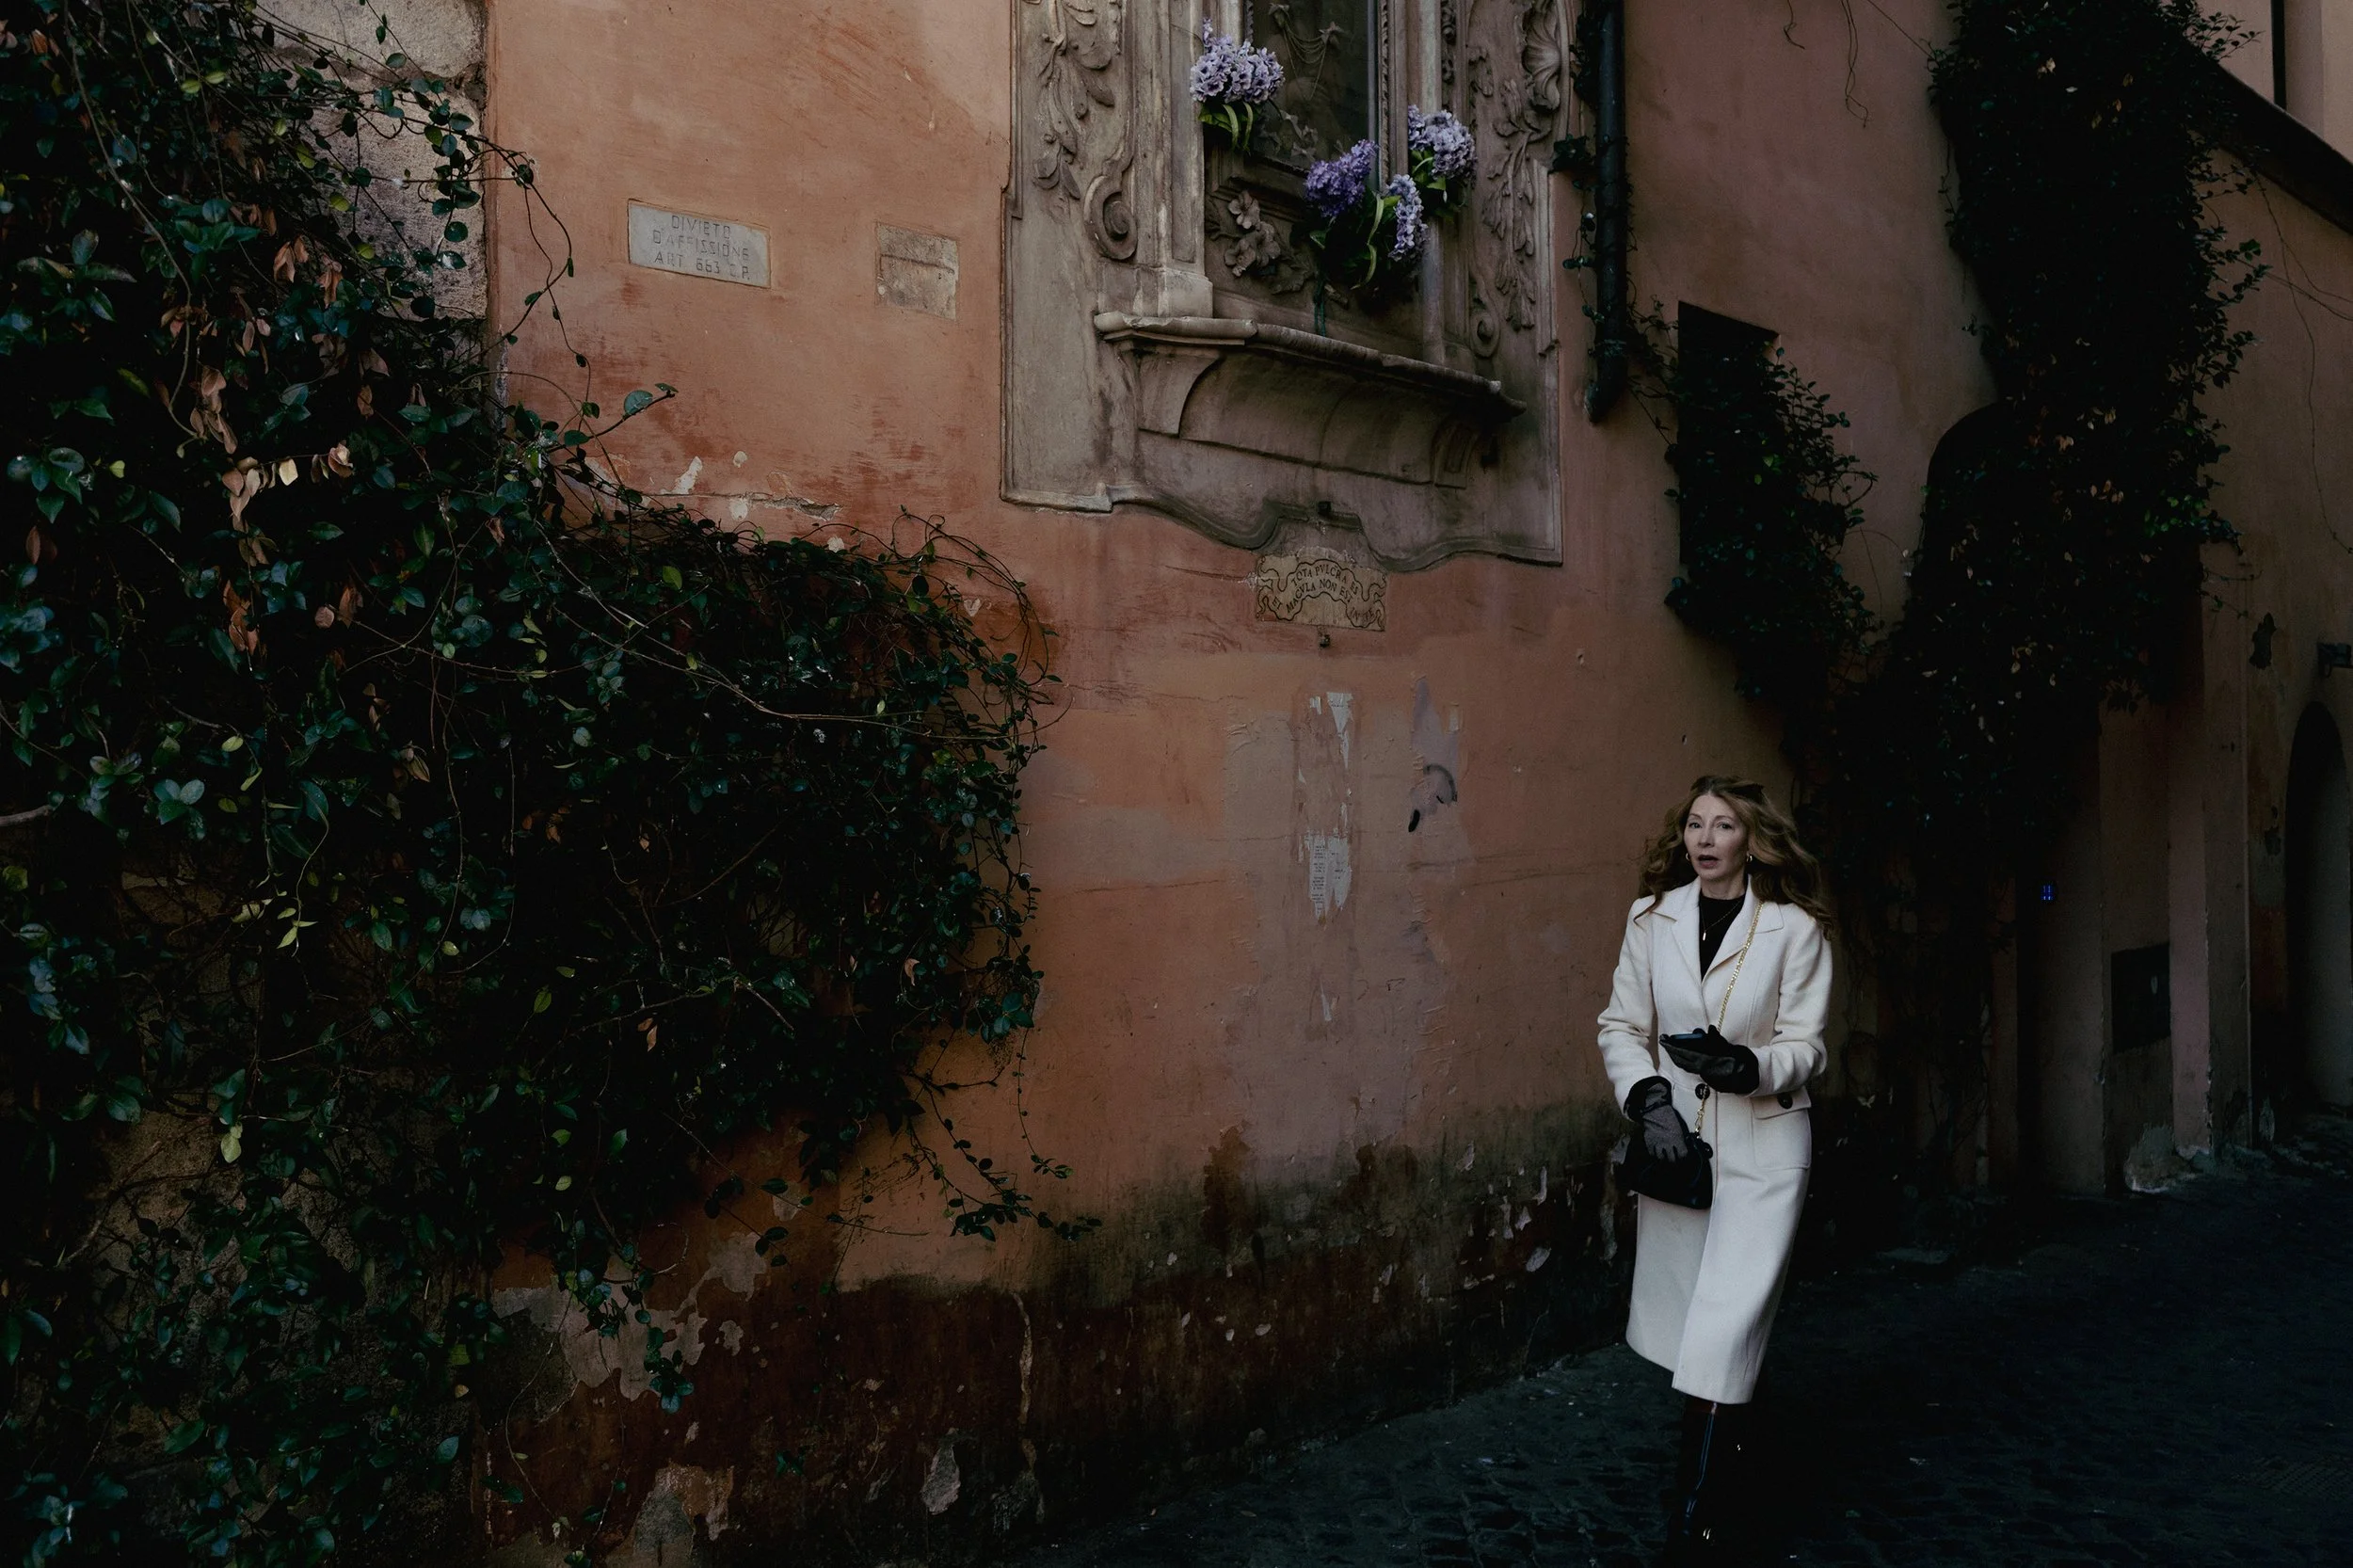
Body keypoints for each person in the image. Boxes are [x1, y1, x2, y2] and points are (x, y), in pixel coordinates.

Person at [1595, 776, 1833, 1561]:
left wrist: (1748, 1066)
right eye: (1695, 824)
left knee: (1727, 1327)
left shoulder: (1792, 929)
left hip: (1766, 1146)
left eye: (1723, 825)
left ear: (1750, 840)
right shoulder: (1651, 919)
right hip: (1682, 1149)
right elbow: (1623, 1025)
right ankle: (1736, 1471)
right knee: (1697, 1332)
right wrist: (1651, 1103)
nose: (1704, 838)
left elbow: (1808, 1043)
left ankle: (1694, 1518)